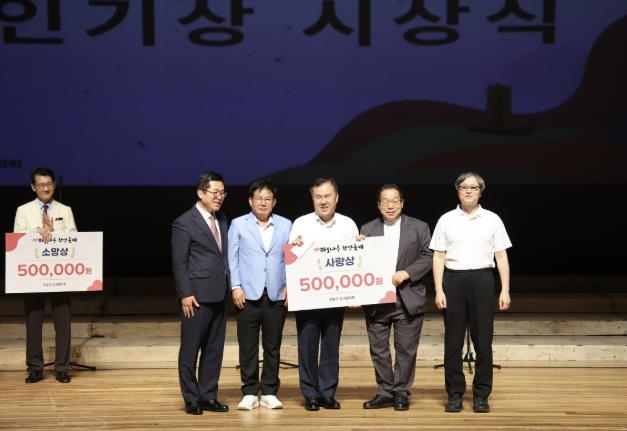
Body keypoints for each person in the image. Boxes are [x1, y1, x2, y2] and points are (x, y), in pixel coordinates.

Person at [430, 172, 512, 414]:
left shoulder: (492, 219)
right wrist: (438, 289)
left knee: (483, 342)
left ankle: (481, 395)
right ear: (457, 191)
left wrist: (505, 290)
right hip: (453, 280)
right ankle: (455, 394)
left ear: (480, 191)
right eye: (463, 187)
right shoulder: (446, 219)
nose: (468, 191)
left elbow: (501, 256)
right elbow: (438, 256)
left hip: (482, 280)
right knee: (453, 343)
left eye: (473, 187)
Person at [360, 184, 433, 411]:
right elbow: (359, 262)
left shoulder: (419, 227)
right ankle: (385, 391)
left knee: (406, 349)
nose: (390, 206)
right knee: (378, 350)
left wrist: (407, 272)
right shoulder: (367, 229)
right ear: (378, 205)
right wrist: (356, 248)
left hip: (407, 297)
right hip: (377, 300)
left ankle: (401, 391)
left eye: (394, 201)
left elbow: (429, 255)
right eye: (385, 201)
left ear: (402, 203)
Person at [289, 177, 359, 411]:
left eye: (327, 196)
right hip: (308, 298)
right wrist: (293, 247)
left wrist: (361, 246)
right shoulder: (301, 223)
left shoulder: (348, 224)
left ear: (336, 197)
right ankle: (310, 394)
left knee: (331, 346)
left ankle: (327, 393)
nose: (323, 201)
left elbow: (356, 261)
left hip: (336, 297)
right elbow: (290, 259)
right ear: (312, 199)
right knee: (307, 346)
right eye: (318, 196)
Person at [227, 178, 292, 411]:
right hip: (247, 294)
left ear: (274, 202)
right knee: (248, 346)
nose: (263, 203)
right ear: (250, 201)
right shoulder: (238, 224)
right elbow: (232, 258)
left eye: (267, 199)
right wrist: (235, 286)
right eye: (258, 198)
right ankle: (250, 391)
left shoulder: (286, 225)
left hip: (276, 293)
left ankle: (270, 391)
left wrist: (291, 286)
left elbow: (292, 258)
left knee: (273, 346)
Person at [171, 171, 230, 415]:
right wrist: (185, 294)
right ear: (200, 193)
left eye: (222, 193)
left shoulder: (222, 218)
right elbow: (179, 262)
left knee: (214, 350)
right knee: (190, 350)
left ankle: (208, 395)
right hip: (195, 297)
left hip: (220, 293)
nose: (219, 197)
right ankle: (191, 398)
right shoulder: (184, 222)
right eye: (214, 192)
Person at [14, 166, 76, 384]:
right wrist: (37, 232)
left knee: (63, 323)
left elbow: (74, 238)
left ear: (54, 185)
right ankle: (35, 368)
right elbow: (17, 238)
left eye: (49, 184)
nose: (46, 188)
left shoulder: (64, 210)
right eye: (41, 185)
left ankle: (62, 368)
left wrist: (54, 232)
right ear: (33, 187)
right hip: (34, 275)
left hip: (60, 275)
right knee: (33, 322)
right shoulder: (23, 210)